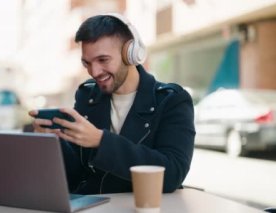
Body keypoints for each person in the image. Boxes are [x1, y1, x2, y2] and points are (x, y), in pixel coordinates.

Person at [29, 13, 195, 194]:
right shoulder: (87, 96)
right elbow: (76, 175)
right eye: (87, 63)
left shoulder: (172, 100)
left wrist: (101, 141)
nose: (94, 71)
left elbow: (172, 174)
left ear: (130, 53)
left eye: (103, 60)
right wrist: (56, 142)